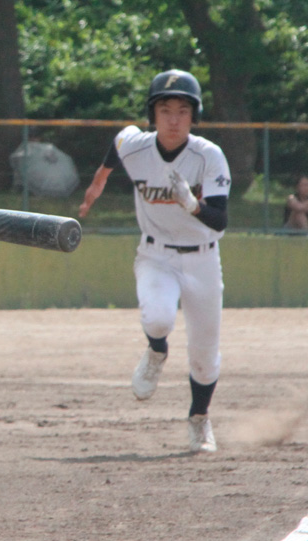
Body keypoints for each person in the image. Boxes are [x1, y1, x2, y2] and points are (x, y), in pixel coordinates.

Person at [79, 69, 231, 453]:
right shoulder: (137, 147)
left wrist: (194, 205)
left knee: (204, 355)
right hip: (156, 254)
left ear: (194, 116)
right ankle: (156, 351)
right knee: (158, 318)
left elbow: (220, 219)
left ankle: (199, 419)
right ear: (154, 114)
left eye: (183, 110)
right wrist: (99, 179)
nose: (174, 119)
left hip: (202, 260)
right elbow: (119, 141)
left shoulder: (208, 155)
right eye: (165, 110)